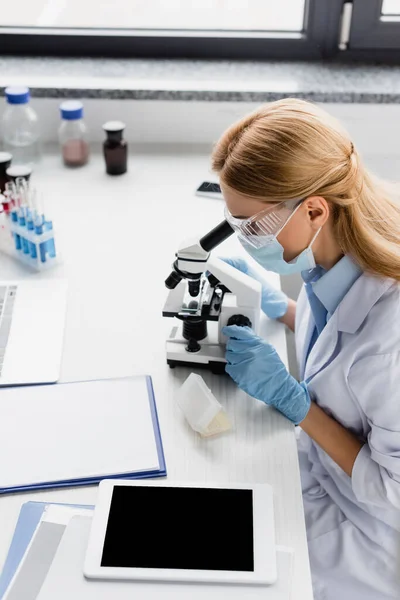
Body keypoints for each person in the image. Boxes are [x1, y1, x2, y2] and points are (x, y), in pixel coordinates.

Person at [211, 98, 400, 600]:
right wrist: (282, 309)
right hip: (316, 471)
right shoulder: (339, 250)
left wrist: (295, 403)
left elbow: (392, 493)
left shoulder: (393, 344)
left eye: (252, 226)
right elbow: (340, 348)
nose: (247, 240)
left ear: (314, 207)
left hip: (365, 531)